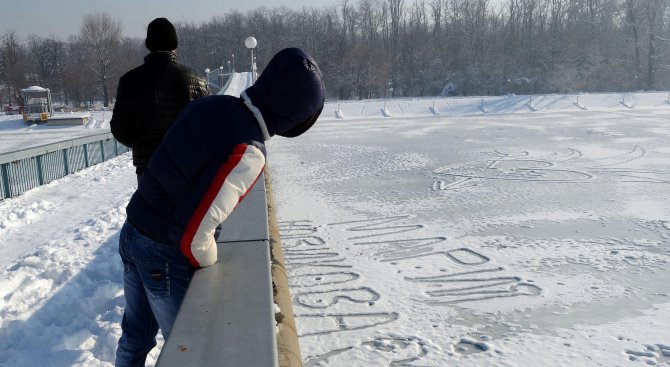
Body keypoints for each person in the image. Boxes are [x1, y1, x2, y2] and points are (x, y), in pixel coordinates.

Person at [115, 47, 325, 366]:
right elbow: (193, 235)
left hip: (133, 231)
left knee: (135, 336)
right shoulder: (248, 150)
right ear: (296, 117)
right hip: (162, 254)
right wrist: (211, 266)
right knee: (192, 351)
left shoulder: (212, 104)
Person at [110, 18, 209, 182]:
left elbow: (120, 129)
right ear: (175, 46)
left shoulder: (130, 81)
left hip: (149, 167)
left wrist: (141, 143)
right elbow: (207, 126)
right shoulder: (197, 80)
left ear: (149, 45)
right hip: (188, 166)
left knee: (152, 207)